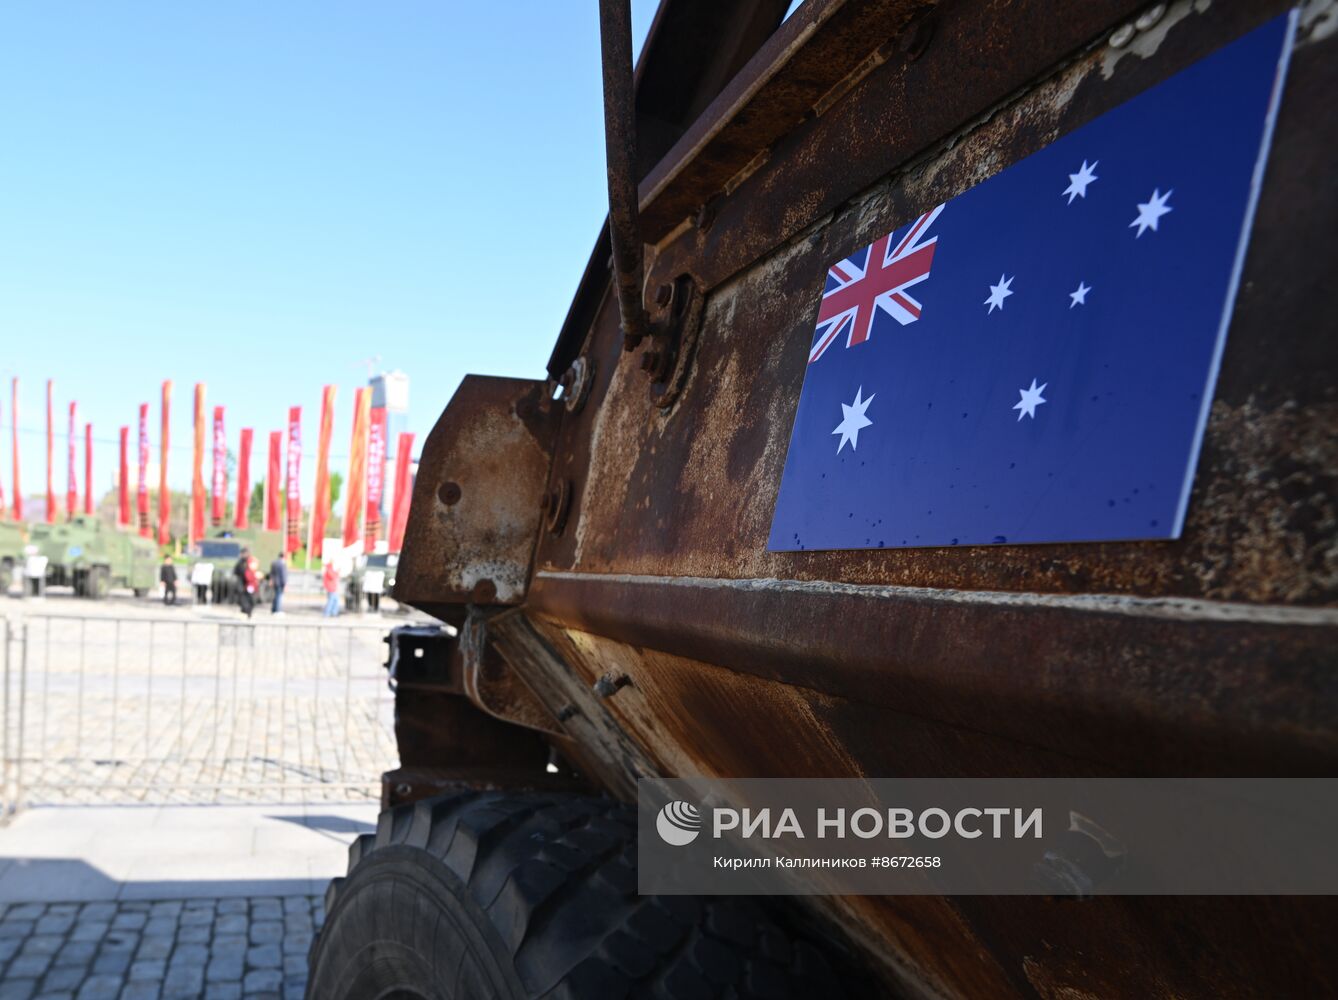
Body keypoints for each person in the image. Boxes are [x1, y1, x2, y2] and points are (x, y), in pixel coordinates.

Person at [234, 548, 255, 618]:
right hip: (242, 583)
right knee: (243, 598)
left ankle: (248, 611)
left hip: (250, 583)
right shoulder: (241, 562)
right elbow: (236, 571)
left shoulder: (251, 561)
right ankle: (245, 611)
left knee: (250, 598)